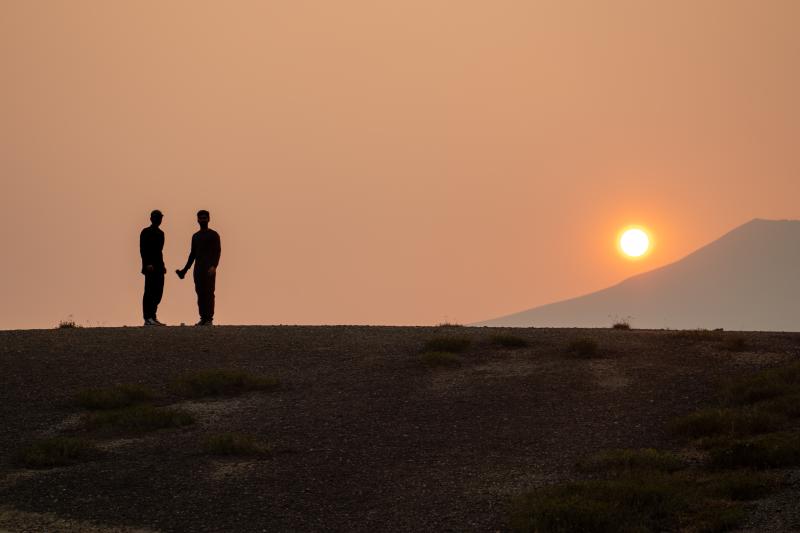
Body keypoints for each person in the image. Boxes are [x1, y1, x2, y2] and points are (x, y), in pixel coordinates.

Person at [176, 210, 221, 326]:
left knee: (209, 293)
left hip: (209, 269)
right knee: (200, 293)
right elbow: (192, 255)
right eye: (201, 218)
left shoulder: (214, 235)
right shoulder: (195, 236)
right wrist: (185, 270)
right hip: (198, 269)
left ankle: (209, 318)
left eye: (205, 217)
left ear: (209, 219)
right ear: (197, 220)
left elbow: (217, 251)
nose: (203, 220)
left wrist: (214, 266)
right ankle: (203, 317)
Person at [140, 209, 166, 326]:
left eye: (160, 217)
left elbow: (159, 251)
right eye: (156, 217)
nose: (158, 219)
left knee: (158, 292)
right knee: (149, 291)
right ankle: (147, 317)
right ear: (151, 219)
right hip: (150, 267)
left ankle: (153, 316)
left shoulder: (161, 234)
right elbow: (143, 250)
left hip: (159, 267)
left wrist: (163, 265)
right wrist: (147, 264)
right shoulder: (145, 232)